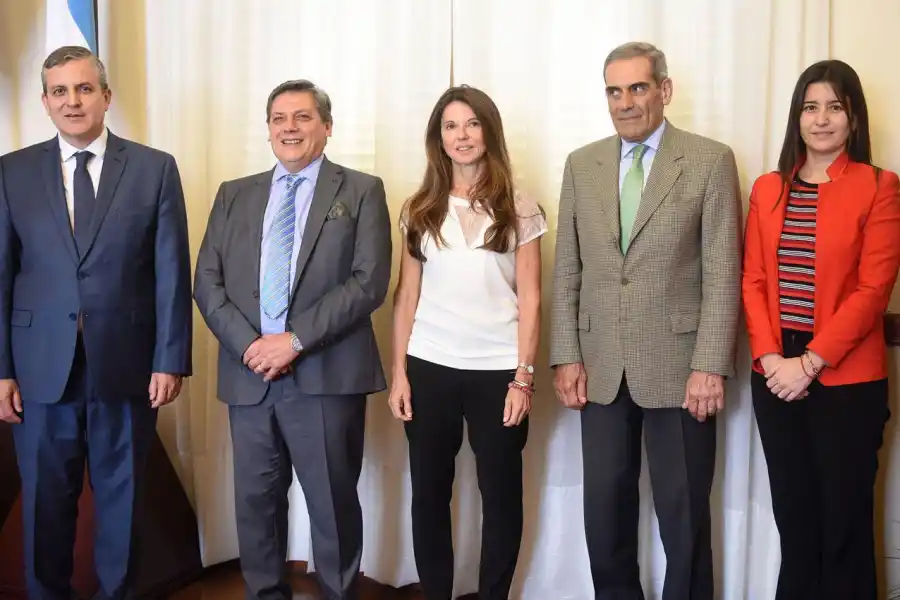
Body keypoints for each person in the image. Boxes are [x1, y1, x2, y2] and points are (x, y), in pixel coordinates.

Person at [550, 41, 742, 600]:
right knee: (604, 510)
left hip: (681, 370)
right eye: (614, 90)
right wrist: (567, 355)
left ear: (664, 89)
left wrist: (710, 365)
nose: (625, 102)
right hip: (601, 367)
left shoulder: (709, 160)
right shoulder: (581, 164)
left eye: (637, 87)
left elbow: (722, 272)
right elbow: (567, 269)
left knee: (683, 514)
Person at [0, 46, 193, 599]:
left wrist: (170, 359)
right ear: (44, 102)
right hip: (39, 373)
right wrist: (2, 370)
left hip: (127, 368)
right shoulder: (11, 172)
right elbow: (2, 276)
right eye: (59, 91)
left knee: (123, 506)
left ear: (106, 96)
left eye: (84, 89)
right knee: (44, 508)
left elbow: (171, 273)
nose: (72, 101)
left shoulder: (155, 168)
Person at [193, 79, 392, 600]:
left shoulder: (361, 190)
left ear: (326, 127)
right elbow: (206, 280)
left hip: (324, 375)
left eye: (303, 117)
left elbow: (368, 282)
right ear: (267, 130)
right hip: (249, 376)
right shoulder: (234, 195)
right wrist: (251, 346)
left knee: (331, 505)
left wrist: (294, 341)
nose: (290, 128)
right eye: (279, 118)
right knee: (256, 505)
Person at [742, 59, 900, 600]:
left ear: (853, 118)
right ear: (797, 117)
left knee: (845, 525)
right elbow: (754, 280)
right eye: (811, 107)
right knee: (795, 518)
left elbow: (872, 291)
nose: (822, 119)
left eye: (836, 106)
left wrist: (809, 362)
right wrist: (769, 361)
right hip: (774, 374)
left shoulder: (878, 186)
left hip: (846, 377)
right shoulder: (767, 188)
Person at [388, 85, 545, 600]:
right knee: (429, 496)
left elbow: (532, 298)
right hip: (429, 366)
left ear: (489, 131)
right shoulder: (419, 208)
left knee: (500, 498)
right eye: (451, 126)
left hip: (498, 371)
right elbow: (406, 297)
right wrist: (399, 374)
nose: (462, 136)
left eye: (472, 124)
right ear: (439, 137)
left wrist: (523, 377)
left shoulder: (520, 208)